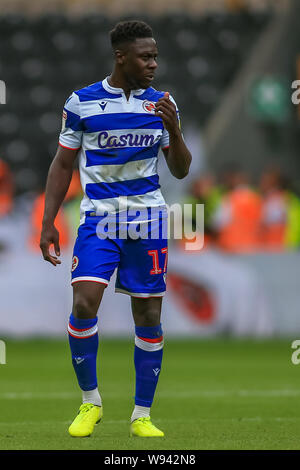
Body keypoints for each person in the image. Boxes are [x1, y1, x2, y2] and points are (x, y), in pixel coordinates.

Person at [40, 20, 191, 438]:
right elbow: (63, 163)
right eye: (146, 56)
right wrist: (48, 220)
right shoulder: (83, 102)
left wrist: (174, 129)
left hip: (149, 221)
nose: (153, 64)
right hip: (99, 220)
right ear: (121, 57)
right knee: (84, 304)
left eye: (156, 56)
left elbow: (180, 170)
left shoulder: (162, 103)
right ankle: (91, 404)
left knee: (147, 314)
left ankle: (141, 415)